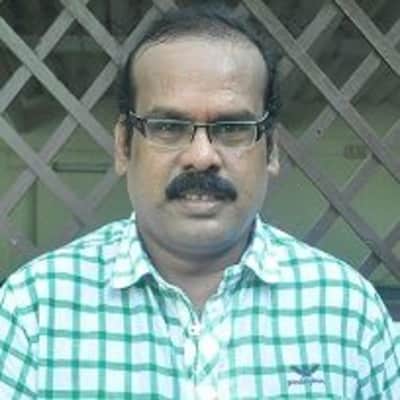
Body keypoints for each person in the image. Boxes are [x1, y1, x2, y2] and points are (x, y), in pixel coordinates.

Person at [1, 4, 399, 399]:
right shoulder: (33, 312)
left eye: (233, 127)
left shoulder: (348, 311)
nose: (202, 155)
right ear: (123, 146)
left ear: (271, 149)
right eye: (168, 126)